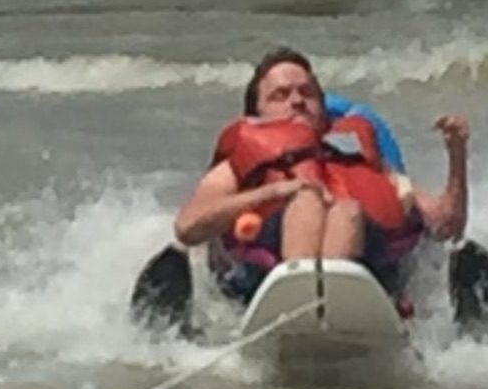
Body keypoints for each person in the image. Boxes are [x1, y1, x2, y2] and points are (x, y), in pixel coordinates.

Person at [173, 47, 470, 303]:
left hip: (366, 257)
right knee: (307, 201)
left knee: (347, 210)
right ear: (257, 113)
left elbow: (446, 225)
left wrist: (457, 156)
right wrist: (274, 192)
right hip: (265, 255)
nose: (297, 101)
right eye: (280, 95)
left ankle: (331, 305)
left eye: (307, 92)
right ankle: (301, 301)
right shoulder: (244, 157)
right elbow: (188, 227)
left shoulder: (360, 149)